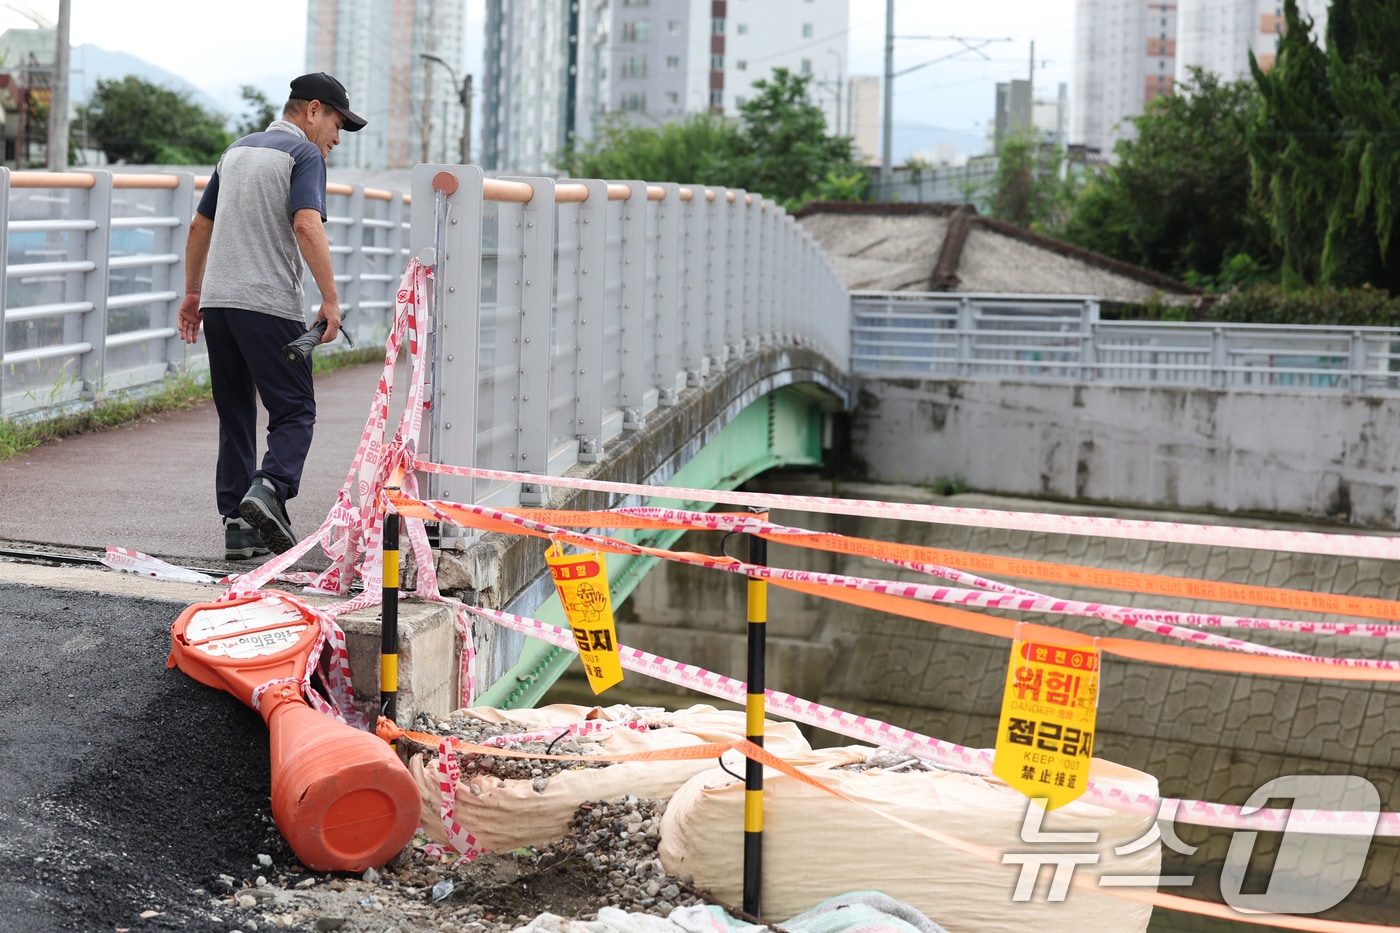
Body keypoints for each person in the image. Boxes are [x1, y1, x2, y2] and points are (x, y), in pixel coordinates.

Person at [177, 72, 366, 559]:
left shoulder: (235, 150)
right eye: (338, 125)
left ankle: (238, 525)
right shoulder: (302, 155)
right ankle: (269, 488)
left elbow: (200, 224)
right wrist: (330, 299)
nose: (337, 139)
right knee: (295, 409)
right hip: (269, 304)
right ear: (313, 111)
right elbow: (306, 223)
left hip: (218, 303)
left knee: (236, 411)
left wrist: (192, 294)